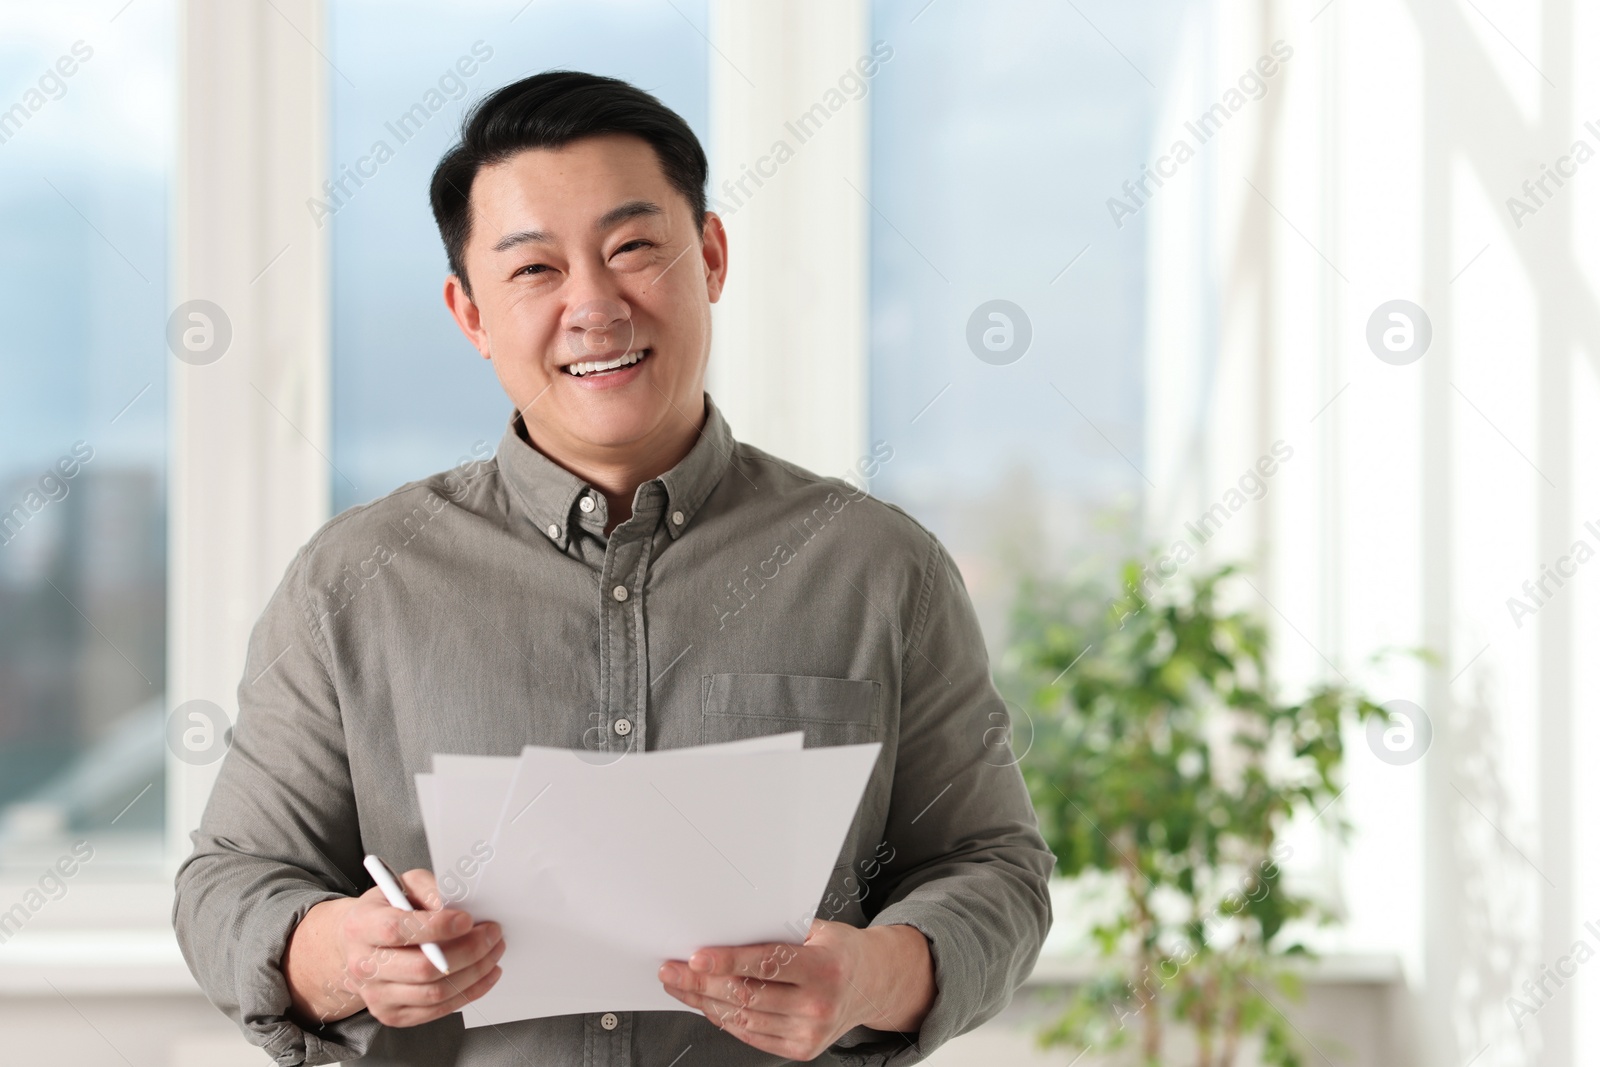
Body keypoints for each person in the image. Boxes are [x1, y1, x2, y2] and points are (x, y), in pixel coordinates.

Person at [173, 70, 1053, 1066]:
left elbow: (994, 867)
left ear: (710, 255)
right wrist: (344, 953)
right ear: (471, 314)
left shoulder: (880, 569)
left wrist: (873, 973)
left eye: (633, 248)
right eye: (534, 269)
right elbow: (230, 883)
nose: (593, 304)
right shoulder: (352, 581)